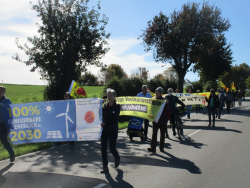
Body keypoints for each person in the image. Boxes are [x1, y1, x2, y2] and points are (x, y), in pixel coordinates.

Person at [101, 89, 120, 173]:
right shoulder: (105, 106)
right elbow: (99, 114)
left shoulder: (117, 106)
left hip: (113, 130)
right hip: (105, 130)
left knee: (112, 148)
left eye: (111, 95)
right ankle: (105, 167)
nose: (109, 97)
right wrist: (99, 105)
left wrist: (105, 123)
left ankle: (117, 157)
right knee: (103, 148)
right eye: (108, 95)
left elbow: (114, 118)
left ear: (114, 96)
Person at [147, 87, 170, 153]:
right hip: (155, 120)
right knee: (154, 135)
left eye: (158, 93)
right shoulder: (153, 100)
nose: (156, 94)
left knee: (162, 135)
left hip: (163, 120)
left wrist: (167, 104)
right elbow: (151, 109)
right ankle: (153, 148)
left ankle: (161, 147)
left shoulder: (164, 100)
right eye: (156, 93)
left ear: (161, 93)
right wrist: (151, 118)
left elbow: (168, 110)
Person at [0, 86, 15, 162]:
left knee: (3, 140)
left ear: (4, 92)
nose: (0, 91)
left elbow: (10, 112)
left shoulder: (7, 101)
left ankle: (11, 152)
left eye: (2, 90)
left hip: (2, 123)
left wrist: (11, 123)